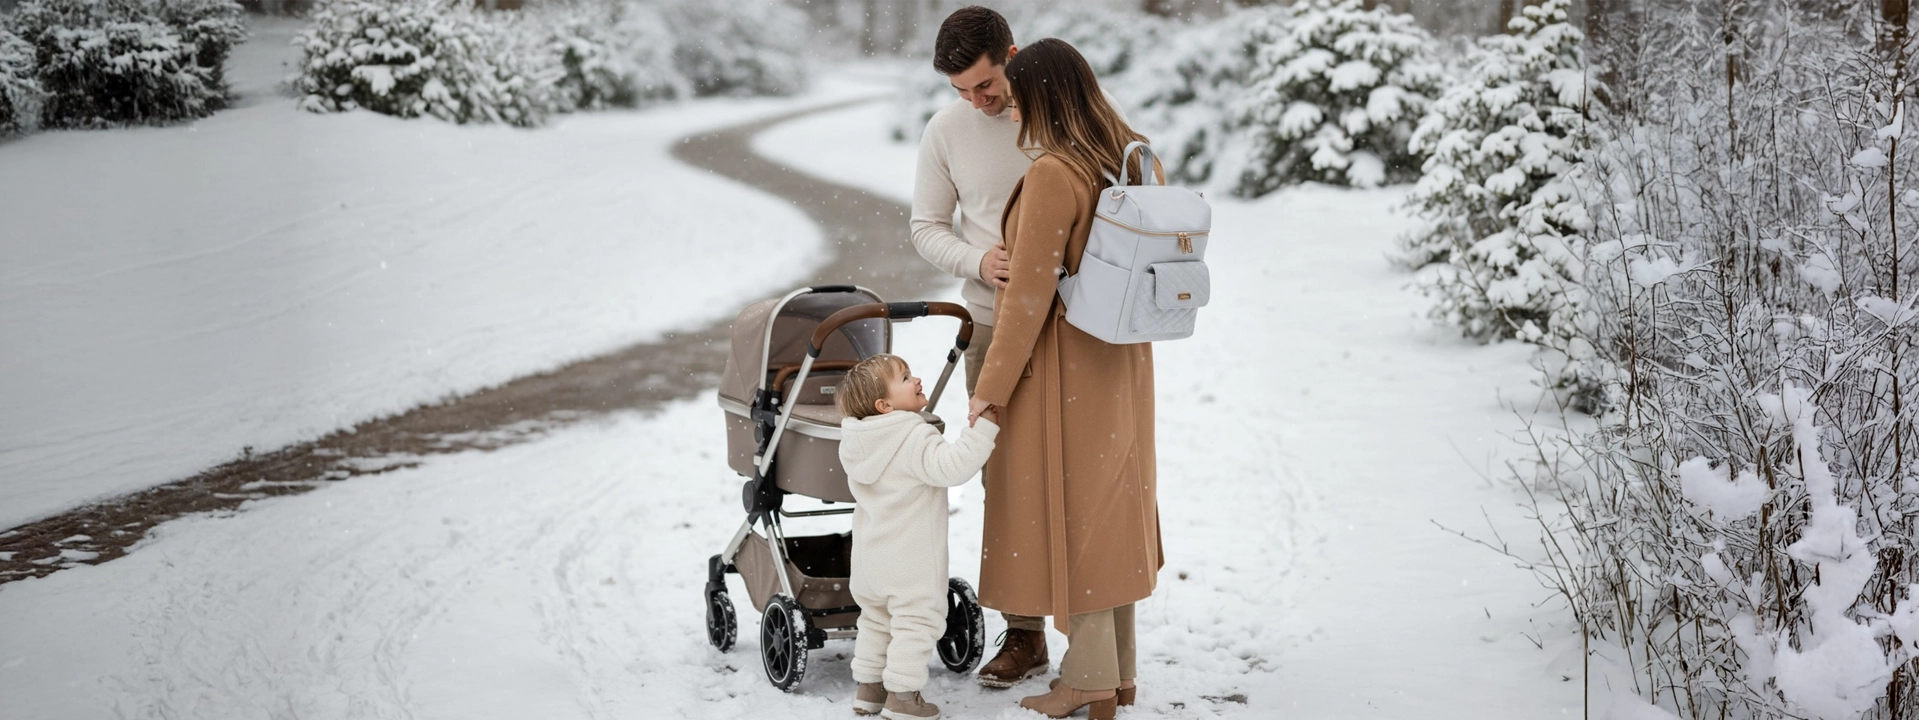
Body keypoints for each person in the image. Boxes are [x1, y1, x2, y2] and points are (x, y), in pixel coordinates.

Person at [965, 38, 1162, 720]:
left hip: (1062, 367)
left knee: (1073, 517)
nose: (1013, 116)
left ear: (1043, 99)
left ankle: (1087, 680)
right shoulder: (1132, 154)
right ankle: (1116, 675)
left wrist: (989, 389)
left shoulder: (1055, 173)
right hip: (1121, 361)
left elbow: (1026, 298)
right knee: (1109, 514)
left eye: (1018, 102)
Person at [910, 5, 1057, 689]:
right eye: (961, 90)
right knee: (1006, 478)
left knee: (1079, 472)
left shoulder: (1064, 110)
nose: (976, 101)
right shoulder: (946, 130)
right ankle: (1024, 633)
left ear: (1012, 55)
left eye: (986, 86)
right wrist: (977, 261)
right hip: (994, 325)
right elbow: (926, 226)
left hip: (1075, 326)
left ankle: (1096, 631)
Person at [836, 354, 999, 720]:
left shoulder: (857, 441)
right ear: (885, 405)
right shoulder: (910, 433)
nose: (917, 379)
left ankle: (869, 690)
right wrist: (983, 429)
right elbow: (952, 467)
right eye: (906, 378)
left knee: (877, 620)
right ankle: (903, 697)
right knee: (917, 623)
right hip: (910, 559)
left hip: (869, 557)